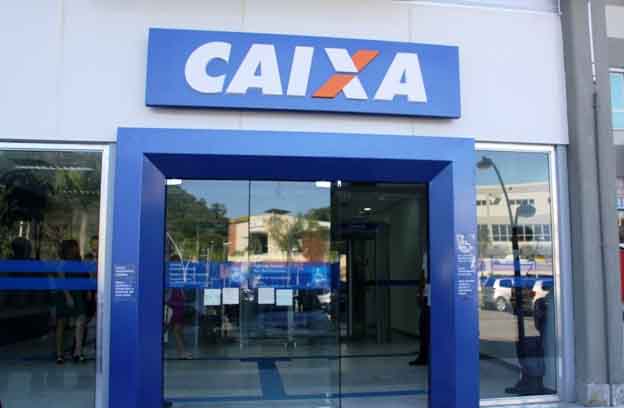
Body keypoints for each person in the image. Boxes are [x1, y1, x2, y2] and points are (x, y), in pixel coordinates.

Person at [55, 239, 88, 364]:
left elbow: (84, 277)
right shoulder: (62, 263)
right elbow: (62, 280)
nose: (76, 249)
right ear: (68, 249)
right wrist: (68, 296)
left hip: (77, 294)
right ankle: (59, 354)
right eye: (74, 247)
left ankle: (78, 352)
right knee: (61, 323)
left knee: (81, 319)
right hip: (65, 294)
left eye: (76, 247)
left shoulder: (78, 262)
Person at [165, 255, 192, 359]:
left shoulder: (177, 274)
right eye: (176, 262)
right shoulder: (171, 275)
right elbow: (170, 292)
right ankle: (182, 352)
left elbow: (181, 291)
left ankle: (182, 352)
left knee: (177, 330)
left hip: (178, 306)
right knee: (175, 330)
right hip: (174, 306)